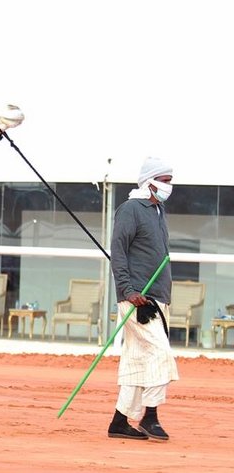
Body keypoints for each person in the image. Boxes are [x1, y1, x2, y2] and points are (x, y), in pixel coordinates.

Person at [108, 156, 179, 441]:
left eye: (170, 182)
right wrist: (128, 290)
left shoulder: (157, 210)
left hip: (158, 297)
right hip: (138, 298)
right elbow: (119, 251)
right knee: (160, 354)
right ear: (149, 182)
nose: (169, 187)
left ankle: (119, 421)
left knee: (137, 359)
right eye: (165, 181)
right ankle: (150, 416)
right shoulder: (131, 209)